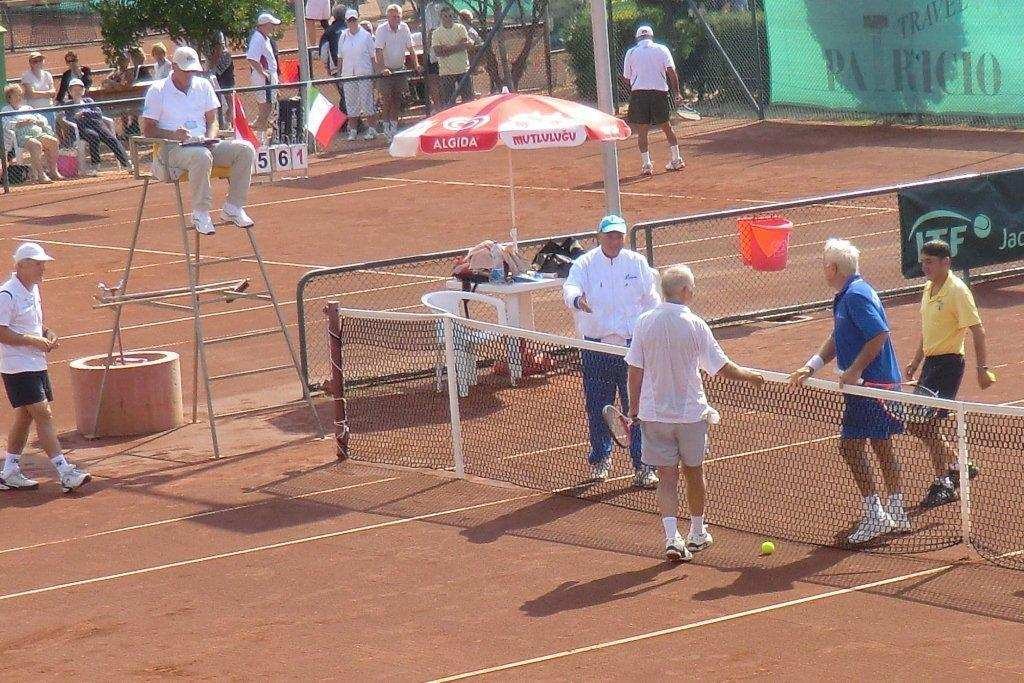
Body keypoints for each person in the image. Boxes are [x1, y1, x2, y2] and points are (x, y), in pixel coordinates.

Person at [626, 264, 764, 561]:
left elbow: (634, 370)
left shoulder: (643, 323)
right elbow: (722, 367)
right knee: (693, 472)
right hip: (689, 414)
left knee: (666, 478)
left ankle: (672, 537)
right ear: (686, 291)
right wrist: (750, 376)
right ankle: (697, 532)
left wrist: (634, 407)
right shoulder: (695, 324)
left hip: (654, 415)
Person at [789, 238, 909, 545]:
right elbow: (838, 336)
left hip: (870, 387)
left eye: (824, 265)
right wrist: (811, 366)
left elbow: (879, 333)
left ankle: (876, 515)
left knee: (851, 446)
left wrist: (855, 370)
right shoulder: (850, 294)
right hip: (872, 385)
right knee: (880, 443)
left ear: (833, 268)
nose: (822, 269)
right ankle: (896, 510)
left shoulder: (855, 295)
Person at [563, 215, 660, 489]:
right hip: (597, 347)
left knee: (637, 409)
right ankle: (600, 459)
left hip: (632, 348)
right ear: (599, 237)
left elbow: (652, 297)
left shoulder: (637, 263)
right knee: (597, 407)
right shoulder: (585, 264)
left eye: (619, 236)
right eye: (609, 236)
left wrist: (653, 325)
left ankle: (643, 466)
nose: (614, 241)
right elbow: (570, 287)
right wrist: (576, 300)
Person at [904, 239, 992, 508]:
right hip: (931, 365)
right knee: (917, 424)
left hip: (949, 365)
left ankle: (944, 483)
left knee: (925, 424)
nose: (924, 267)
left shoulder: (957, 291)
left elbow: (977, 330)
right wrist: (916, 361)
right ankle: (960, 465)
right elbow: (927, 329)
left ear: (946, 262)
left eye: (929, 262)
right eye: (922, 262)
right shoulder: (929, 288)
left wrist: (982, 369)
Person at [0, 243, 90, 494]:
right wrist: (33, 340)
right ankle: (65, 472)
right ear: (21, 266)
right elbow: (1, 331)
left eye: (43, 263)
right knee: (43, 413)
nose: (43, 268)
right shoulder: (6, 295)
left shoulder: (34, 291)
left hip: (36, 362)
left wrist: (47, 334)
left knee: (24, 416)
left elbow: (34, 325)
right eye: (38, 263)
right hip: (17, 366)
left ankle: (9, 471)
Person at [141, 47, 256, 235]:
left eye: (192, 70)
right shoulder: (158, 90)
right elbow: (147, 130)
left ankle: (233, 207)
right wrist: (173, 135)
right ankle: (200, 212)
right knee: (201, 156)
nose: (189, 74)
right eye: (185, 70)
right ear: (174, 66)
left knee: (245, 148)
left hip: (203, 144)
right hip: (171, 149)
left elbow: (213, 120)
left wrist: (210, 137)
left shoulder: (203, 85)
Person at [620, 25, 684, 176]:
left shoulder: (631, 52)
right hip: (659, 93)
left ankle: (647, 165)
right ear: (651, 37)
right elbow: (671, 72)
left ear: (637, 38)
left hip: (639, 93)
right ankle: (676, 159)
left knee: (642, 130)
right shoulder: (662, 49)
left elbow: (626, 78)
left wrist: (636, 87)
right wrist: (677, 93)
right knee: (666, 127)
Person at [64, 78, 132, 172]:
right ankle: (96, 165)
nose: (77, 92)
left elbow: (98, 113)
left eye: (79, 89)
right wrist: (83, 115)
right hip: (83, 128)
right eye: (74, 90)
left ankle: (127, 164)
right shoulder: (68, 105)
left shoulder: (89, 101)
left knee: (111, 139)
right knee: (93, 136)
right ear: (70, 92)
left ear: (83, 90)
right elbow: (71, 119)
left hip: (97, 124)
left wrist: (84, 113)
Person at [2, 85, 63, 183]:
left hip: (37, 132)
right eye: (16, 95)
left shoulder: (27, 107)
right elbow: (5, 125)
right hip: (21, 136)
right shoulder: (6, 110)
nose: (19, 97)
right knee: (36, 144)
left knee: (53, 142)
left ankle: (53, 171)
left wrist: (38, 121)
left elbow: (40, 118)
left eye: (20, 95)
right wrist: (20, 123)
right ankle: (41, 175)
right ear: (9, 97)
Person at [375, 3, 418, 139]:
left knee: (396, 99)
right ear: (388, 17)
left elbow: (411, 48)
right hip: (386, 71)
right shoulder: (381, 30)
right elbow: (378, 50)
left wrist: (416, 64)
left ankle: (393, 127)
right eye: (393, 16)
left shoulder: (404, 28)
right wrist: (383, 68)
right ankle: (385, 126)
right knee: (386, 99)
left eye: (398, 16)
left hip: (400, 69)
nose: (396, 18)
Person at [337, 9, 379, 141]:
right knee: (351, 104)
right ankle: (353, 131)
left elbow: (373, 57)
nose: (352, 22)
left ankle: (372, 129)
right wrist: (339, 75)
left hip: (364, 73)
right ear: (346, 22)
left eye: (354, 20)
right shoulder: (343, 36)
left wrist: (375, 75)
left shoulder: (366, 36)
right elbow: (340, 57)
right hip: (348, 74)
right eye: (349, 20)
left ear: (357, 20)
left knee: (367, 103)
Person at [247, 12, 283, 136]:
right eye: (271, 25)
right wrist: (263, 73)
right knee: (265, 107)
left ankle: (261, 135)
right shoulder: (258, 38)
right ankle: (260, 137)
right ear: (265, 25)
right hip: (265, 76)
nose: (273, 27)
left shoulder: (264, 38)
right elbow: (251, 58)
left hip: (268, 75)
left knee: (268, 106)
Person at [431, 4, 474, 107]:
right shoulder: (436, 33)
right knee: (448, 103)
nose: (448, 18)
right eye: (445, 16)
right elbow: (438, 53)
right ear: (441, 18)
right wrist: (458, 46)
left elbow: (466, 45)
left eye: (450, 16)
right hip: (446, 72)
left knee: (468, 101)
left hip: (463, 70)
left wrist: (447, 49)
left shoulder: (460, 28)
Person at [20, 52, 58, 129]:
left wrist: (39, 94)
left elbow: (53, 93)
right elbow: (32, 94)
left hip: (49, 109)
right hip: (35, 112)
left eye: (40, 60)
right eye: (35, 61)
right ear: (30, 63)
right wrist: (48, 93)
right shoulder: (26, 76)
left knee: (52, 132)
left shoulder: (47, 74)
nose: (38, 63)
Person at [210, 33, 236, 130]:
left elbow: (219, 48)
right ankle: (227, 121)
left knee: (228, 94)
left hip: (223, 61)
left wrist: (212, 67)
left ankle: (231, 121)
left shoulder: (217, 32)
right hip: (217, 64)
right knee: (223, 95)